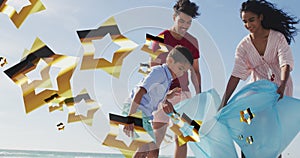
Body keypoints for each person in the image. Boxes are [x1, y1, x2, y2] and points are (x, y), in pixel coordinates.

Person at [218, 0, 299, 157]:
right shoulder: (244, 47)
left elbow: (285, 63)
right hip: (257, 92)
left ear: (260, 17)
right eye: (244, 21)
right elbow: (236, 75)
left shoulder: (277, 38)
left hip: (279, 90)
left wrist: (282, 85)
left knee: (272, 133)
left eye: (251, 20)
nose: (248, 24)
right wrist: (224, 102)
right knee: (248, 127)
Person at [150, 0, 201, 157]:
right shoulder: (158, 39)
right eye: (181, 21)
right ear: (174, 17)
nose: (185, 25)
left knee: (182, 139)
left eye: (189, 22)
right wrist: (162, 97)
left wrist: (199, 97)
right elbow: (152, 71)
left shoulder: (193, 42)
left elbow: (195, 72)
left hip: (183, 95)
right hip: (161, 93)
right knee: (156, 139)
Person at [123, 45, 194, 158]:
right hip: (136, 111)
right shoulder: (159, 73)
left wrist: (168, 96)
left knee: (152, 149)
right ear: (170, 60)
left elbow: (155, 96)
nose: (181, 74)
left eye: (184, 71)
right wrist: (131, 117)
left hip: (145, 115)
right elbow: (140, 92)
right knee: (144, 147)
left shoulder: (167, 79)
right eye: (180, 68)